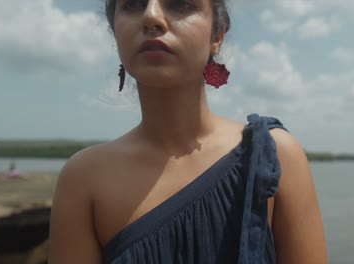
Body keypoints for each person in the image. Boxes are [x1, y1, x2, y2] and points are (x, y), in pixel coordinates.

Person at [49, 0, 328, 263]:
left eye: (181, 3)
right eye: (133, 4)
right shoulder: (84, 178)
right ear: (115, 33)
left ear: (217, 35)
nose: (151, 16)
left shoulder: (274, 157)